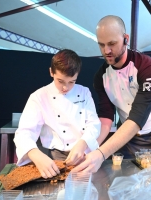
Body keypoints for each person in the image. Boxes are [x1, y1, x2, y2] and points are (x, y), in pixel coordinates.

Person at [71, 15, 151, 173]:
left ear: (126, 38)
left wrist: (101, 153)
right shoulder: (101, 77)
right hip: (126, 135)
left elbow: (137, 117)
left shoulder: (148, 68)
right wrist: (91, 147)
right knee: (125, 177)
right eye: (101, 45)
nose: (107, 51)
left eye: (112, 44)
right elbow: (106, 117)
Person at [14, 49, 101, 178]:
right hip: (56, 157)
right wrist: (36, 155)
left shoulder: (84, 92)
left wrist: (82, 144)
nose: (65, 88)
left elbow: (93, 124)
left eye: (72, 82)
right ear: (51, 72)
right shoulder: (39, 97)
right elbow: (24, 132)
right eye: (60, 81)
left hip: (84, 153)